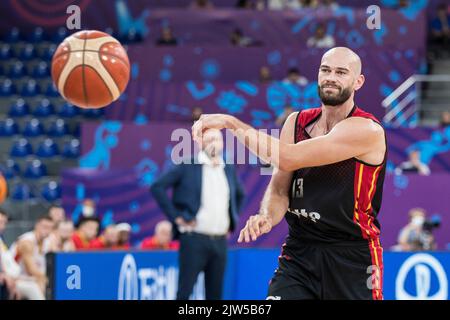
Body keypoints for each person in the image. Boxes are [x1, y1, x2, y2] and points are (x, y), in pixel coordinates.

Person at [193, 47, 387, 300]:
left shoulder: (366, 130)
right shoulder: (296, 122)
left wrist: (231, 123)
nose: (331, 77)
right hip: (300, 252)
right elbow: (280, 187)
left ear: (358, 81)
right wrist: (267, 215)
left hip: (352, 256)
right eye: (325, 70)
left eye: (341, 72)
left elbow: (287, 156)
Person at [151, 129, 245, 300]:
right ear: (200, 143)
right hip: (194, 239)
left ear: (223, 143)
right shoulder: (188, 165)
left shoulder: (227, 168)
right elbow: (157, 187)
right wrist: (176, 217)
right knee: (185, 292)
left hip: (219, 242)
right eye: (208, 140)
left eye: (216, 139)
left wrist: (231, 221)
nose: (213, 143)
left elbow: (240, 194)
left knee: (215, 295)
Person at [8, 216, 54, 300]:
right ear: (37, 226)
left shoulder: (48, 242)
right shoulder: (27, 242)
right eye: (44, 227)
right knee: (35, 287)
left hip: (32, 279)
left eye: (50, 228)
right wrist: (47, 279)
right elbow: (31, 270)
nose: (47, 230)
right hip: (16, 279)